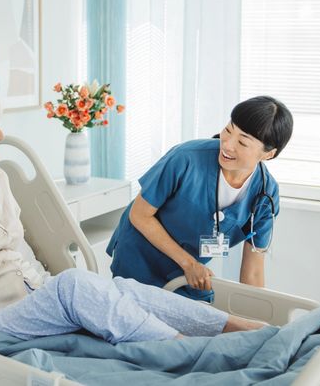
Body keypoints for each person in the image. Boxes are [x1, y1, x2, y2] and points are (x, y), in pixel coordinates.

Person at [0, 86, 263, 344]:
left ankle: (243, 330)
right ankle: (184, 350)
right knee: (75, 285)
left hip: (31, 298)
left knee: (121, 289)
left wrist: (51, 291)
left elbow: (17, 250)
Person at [106, 96, 293, 301]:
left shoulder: (266, 194)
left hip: (186, 275)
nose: (228, 145)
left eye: (242, 142)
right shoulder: (186, 158)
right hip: (139, 260)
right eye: (228, 130)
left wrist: (258, 321)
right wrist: (189, 264)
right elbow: (140, 215)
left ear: (268, 154)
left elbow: (254, 270)